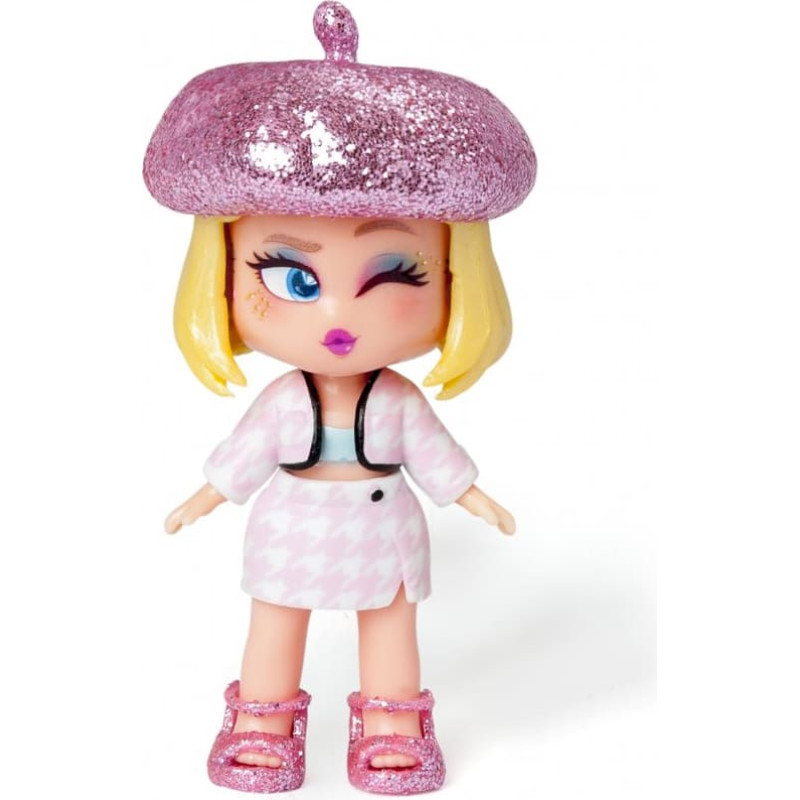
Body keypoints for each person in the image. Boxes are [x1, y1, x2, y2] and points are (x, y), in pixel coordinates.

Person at [144, 2, 535, 794]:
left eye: (393, 275)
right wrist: (204, 496)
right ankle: (262, 720)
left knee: (389, 623)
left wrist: (473, 496)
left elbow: (435, 459)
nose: (338, 319)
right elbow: (244, 457)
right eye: (293, 277)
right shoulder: (285, 402)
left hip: (382, 527)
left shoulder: (397, 402)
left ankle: (392, 724)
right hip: (291, 524)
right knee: (275, 621)